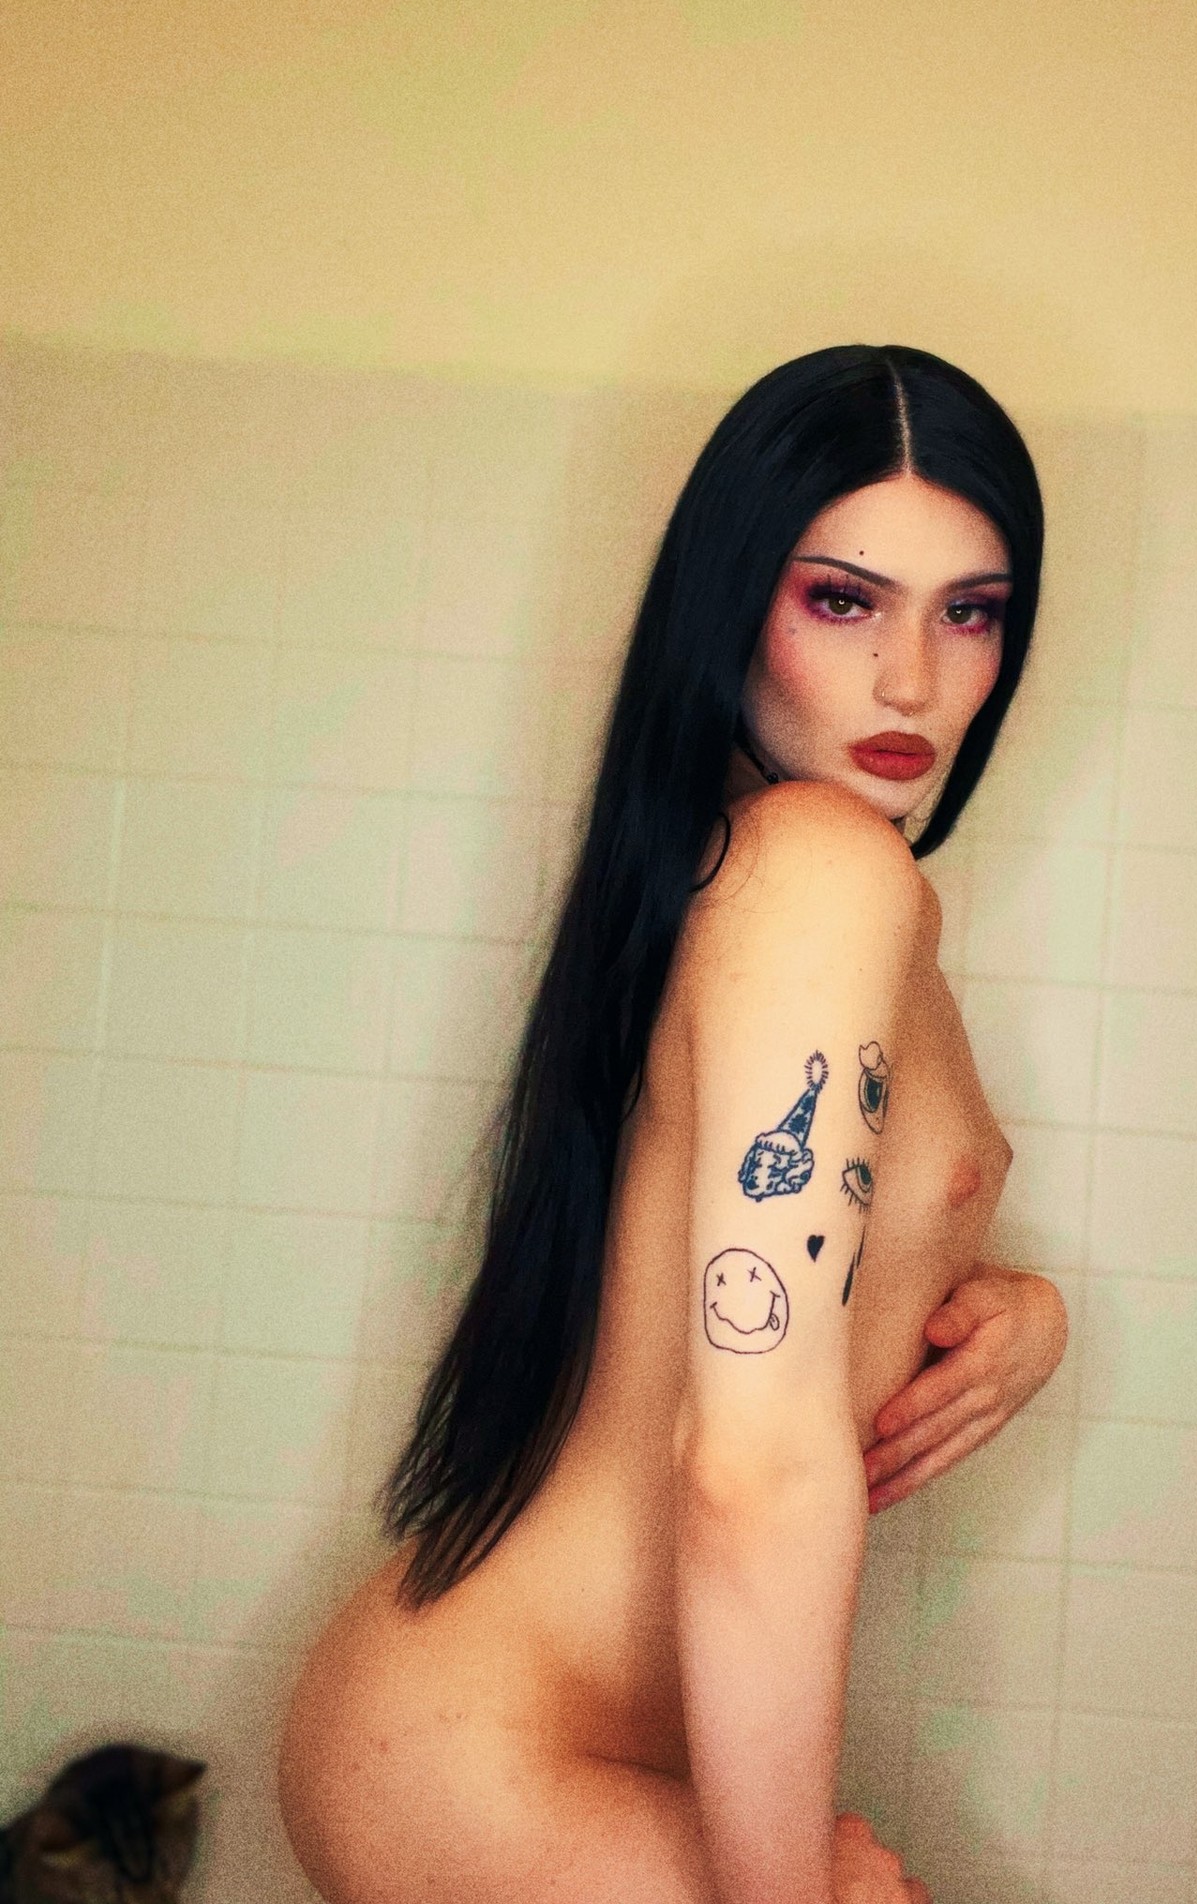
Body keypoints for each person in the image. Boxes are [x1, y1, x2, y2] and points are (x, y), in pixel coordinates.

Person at [278, 345, 1068, 1904]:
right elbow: (750, 1460)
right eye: (841, 600)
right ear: (730, 601)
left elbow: (762, 1273)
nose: (912, 681)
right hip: (495, 1759)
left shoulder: (769, 870)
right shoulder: (820, 874)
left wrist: (1020, 1312)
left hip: (491, 1736)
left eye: (969, 612)